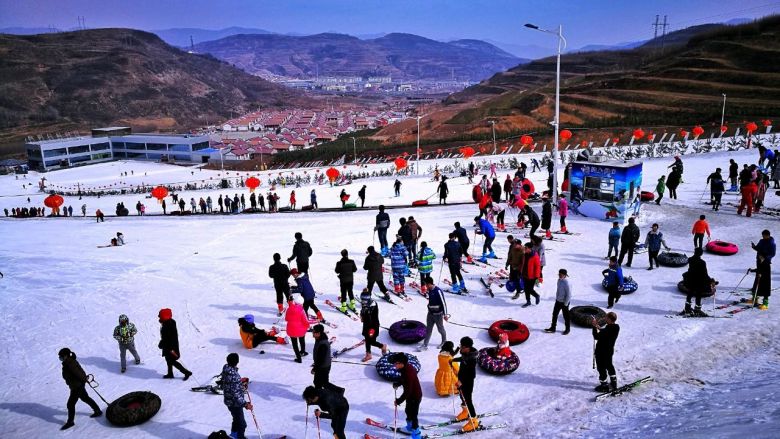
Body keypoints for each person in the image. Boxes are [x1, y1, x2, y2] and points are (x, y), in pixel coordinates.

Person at [58, 348, 102, 430]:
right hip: (77, 385)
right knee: (85, 398)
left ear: (66, 356)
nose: (60, 358)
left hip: (77, 386)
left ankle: (70, 422)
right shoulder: (68, 362)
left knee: (70, 404)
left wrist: (84, 379)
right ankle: (97, 411)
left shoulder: (69, 363)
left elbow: (79, 373)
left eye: (61, 356)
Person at [450, 336, 480, 432]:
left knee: (468, 400)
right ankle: (465, 412)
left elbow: (471, 374)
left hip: (468, 382)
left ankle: (474, 421)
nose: (461, 348)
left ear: (468, 347)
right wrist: (453, 360)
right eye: (461, 345)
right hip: (461, 380)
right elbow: (462, 359)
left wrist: (461, 381)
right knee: (462, 396)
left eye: (463, 347)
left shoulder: (472, 359)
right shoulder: (465, 354)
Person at [221, 353, 252, 439]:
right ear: (237, 362)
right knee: (242, 424)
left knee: (236, 420)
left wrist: (241, 385)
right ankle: (240, 437)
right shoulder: (234, 376)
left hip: (229, 401)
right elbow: (235, 394)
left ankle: (233, 436)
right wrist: (245, 404)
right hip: (234, 403)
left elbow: (232, 386)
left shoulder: (226, 369)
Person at [393, 353, 423, 439]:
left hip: (415, 396)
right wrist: (398, 383)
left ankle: (416, 435)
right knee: (408, 411)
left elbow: (408, 391)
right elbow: (404, 379)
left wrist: (399, 401)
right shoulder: (405, 368)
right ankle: (410, 428)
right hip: (410, 396)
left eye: (396, 363)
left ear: (402, 363)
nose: (395, 365)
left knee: (413, 415)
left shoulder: (408, 373)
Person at [680, 248, 716, 316]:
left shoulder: (690, 259)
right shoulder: (702, 262)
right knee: (698, 295)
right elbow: (705, 274)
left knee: (690, 293)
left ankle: (687, 308)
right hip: (698, 281)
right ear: (701, 254)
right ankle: (697, 309)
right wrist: (711, 280)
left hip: (690, 279)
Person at [157, 308, 192, 380]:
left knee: (172, 361)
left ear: (165, 316)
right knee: (168, 360)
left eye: (160, 316)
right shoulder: (169, 322)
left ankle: (186, 372)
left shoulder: (168, 325)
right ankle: (170, 373)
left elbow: (168, 338)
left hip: (170, 347)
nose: (159, 317)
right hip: (168, 346)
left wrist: (163, 344)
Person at [312, 324, 344, 394]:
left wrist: (315, 368)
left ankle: (339, 391)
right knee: (319, 382)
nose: (312, 333)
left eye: (314, 332)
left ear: (319, 333)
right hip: (323, 365)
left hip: (323, 366)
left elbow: (321, 359)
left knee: (322, 383)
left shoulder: (322, 344)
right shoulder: (320, 338)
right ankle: (319, 395)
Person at [592, 312, 620, 392]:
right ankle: (614, 383)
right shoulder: (615, 327)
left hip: (601, 352)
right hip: (609, 351)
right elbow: (604, 331)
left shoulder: (608, 329)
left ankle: (604, 386)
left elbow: (596, 336)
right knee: (609, 366)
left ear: (610, 319)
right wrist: (597, 326)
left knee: (601, 368)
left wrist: (594, 327)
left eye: (606, 317)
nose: (605, 318)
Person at [419, 276, 449, 351]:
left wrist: (445, 314)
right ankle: (425, 345)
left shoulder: (438, 291)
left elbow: (443, 303)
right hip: (430, 314)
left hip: (438, 315)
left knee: (440, 329)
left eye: (426, 284)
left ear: (429, 284)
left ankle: (444, 341)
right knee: (428, 329)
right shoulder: (429, 290)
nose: (425, 286)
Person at [359, 289, 388, 362]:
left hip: (373, 326)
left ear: (368, 299)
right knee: (367, 339)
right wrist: (362, 316)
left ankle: (382, 346)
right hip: (366, 325)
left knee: (371, 341)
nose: (363, 302)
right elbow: (363, 311)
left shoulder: (373, 305)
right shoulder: (365, 303)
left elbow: (370, 316)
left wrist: (365, 313)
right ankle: (368, 354)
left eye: (364, 301)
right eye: (362, 300)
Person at [545, 269, 571, 335]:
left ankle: (567, 329)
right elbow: (558, 290)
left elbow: (569, 295)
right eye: (559, 274)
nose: (559, 275)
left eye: (561, 274)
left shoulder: (567, 283)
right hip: (558, 301)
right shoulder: (559, 280)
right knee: (554, 314)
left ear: (565, 275)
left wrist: (566, 303)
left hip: (564, 302)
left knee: (566, 316)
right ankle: (553, 327)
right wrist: (557, 298)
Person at [285, 295, 309, 363]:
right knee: (302, 340)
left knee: (294, 344)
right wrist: (308, 326)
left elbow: (286, 319)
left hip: (291, 329)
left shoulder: (289, 309)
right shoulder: (302, 310)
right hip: (301, 329)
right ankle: (303, 352)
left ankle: (298, 358)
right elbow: (305, 321)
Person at [521, 242, 541, 307]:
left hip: (532, 276)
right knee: (526, 289)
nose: (525, 249)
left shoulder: (535, 256)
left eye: (526, 248)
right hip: (524, 274)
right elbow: (523, 264)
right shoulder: (525, 254)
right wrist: (521, 272)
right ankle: (528, 301)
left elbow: (538, 267)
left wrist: (537, 277)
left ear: (530, 248)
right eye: (524, 247)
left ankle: (537, 296)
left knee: (530, 289)